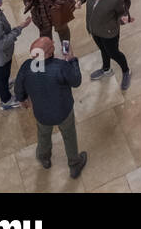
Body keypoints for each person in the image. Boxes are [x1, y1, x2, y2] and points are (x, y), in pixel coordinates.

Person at [13, 36, 86, 179]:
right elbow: (76, 81)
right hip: (63, 112)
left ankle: (44, 157)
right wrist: (71, 60)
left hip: (41, 113)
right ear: (50, 52)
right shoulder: (61, 67)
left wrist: (22, 100)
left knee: (43, 134)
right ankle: (74, 164)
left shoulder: (27, 67)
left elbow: (18, 88)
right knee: (69, 136)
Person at [76, 0, 131, 90]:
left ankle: (126, 71)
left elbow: (121, 13)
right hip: (94, 30)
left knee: (114, 53)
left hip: (109, 32)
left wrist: (123, 18)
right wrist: (80, 1)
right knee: (103, 50)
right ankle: (106, 69)